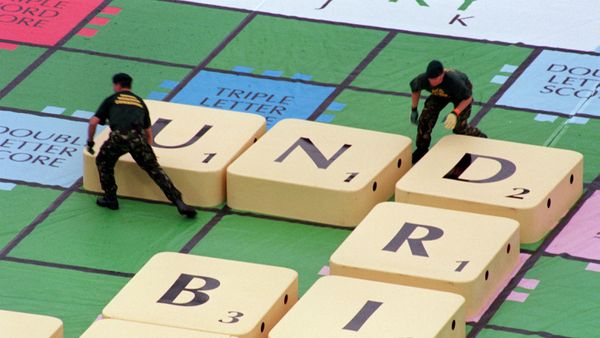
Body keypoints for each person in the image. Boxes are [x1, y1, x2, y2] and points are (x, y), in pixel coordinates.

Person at [86, 73, 197, 218]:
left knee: (103, 162)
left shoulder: (111, 100)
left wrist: (90, 141)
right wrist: (148, 151)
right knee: (155, 170)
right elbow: (148, 133)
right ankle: (178, 201)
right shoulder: (140, 102)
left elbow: (93, 122)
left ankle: (110, 198)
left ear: (117, 85)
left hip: (118, 137)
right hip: (137, 139)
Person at [409, 60, 487, 164]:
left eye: (435, 79)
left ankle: (481, 137)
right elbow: (415, 89)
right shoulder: (423, 79)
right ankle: (422, 149)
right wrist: (414, 109)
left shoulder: (454, 82)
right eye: (430, 79)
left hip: (460, 96)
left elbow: (467, 98)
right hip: (440, 94)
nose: (432, 82)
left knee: (459, 127)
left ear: (442, 75)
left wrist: (455, 113)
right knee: (426, 118)